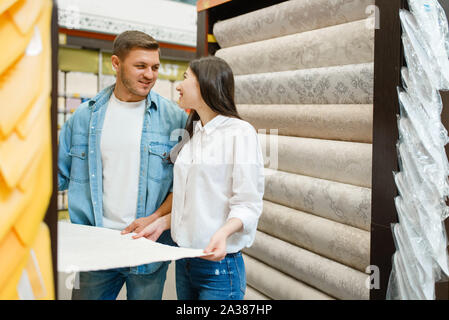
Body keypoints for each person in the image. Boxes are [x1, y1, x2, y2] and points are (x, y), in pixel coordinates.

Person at [58, 30, 188, 300]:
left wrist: (154, 219)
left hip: (146, 248)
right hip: (95, 248)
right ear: (116, 64)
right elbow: (56, 176)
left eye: (154, 67)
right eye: (140, 66)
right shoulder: (83, 118)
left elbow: (184, 186)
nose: (150, 75)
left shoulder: (174, 119)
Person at [124, 56, 265, 300]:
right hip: (186, 261)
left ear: (205, 85)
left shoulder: (240, 134)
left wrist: (222, 234)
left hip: (219, 269)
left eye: (186, 78)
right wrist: (160, 223)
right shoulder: (194, 133)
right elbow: (195, 202)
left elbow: (248, 205)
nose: (179, 85)